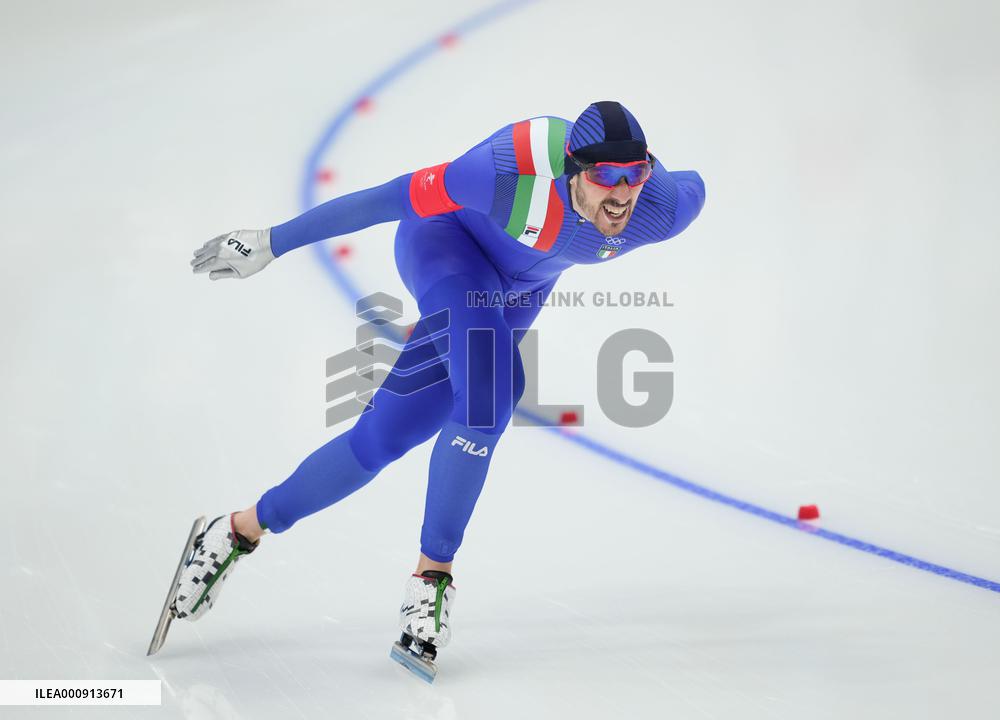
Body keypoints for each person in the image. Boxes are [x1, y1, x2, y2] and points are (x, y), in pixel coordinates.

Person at [173, 101, 705, 675]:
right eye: (606, 177)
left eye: (635, 175)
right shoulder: (504, 174)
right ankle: (431, 580)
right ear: (574, 169)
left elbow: (698, 184)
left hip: (517, 292)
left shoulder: (660, 208)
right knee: (492, 390)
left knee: (382, 439)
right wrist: (273, 240)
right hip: (444, 247)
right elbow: (387, 198)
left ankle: (235, 530)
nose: (622, 194)